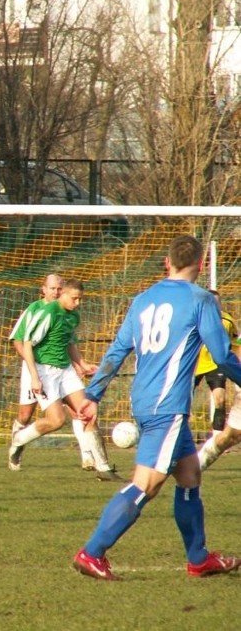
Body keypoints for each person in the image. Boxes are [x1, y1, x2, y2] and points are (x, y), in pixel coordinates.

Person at [73, 235, 241, 581]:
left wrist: (93, 395)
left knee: (190, 475)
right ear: (199, 265)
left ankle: (198, 558)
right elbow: (222, 355)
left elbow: (118, 350)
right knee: (146, 484)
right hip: (167, 407)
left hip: (145, 400)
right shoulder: (201, 300)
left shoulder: (142, 300)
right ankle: (92, 552)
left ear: (167, 263)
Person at [7, 278, 118, 480]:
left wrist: (82, 364)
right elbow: (27, 344)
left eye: (80, 299)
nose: (78, 303)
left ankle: (103, 468)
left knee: (87, 412)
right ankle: (19, 439)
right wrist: (34, 377)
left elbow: (69, 343)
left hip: (65, 370)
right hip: (44, 370)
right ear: (63, 295)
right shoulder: (46, 313)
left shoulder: (73, 316)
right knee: (56, 420)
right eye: (75, 299)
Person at [193, 290, 237, 436]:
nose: (215, 306)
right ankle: (178, 434)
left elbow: (235, 341)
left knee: (220, 399)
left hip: (215, 365)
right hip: (195, 365)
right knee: (183, 401)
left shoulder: (228, 321)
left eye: (217, 303)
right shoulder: (195, 319)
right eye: (212, 302)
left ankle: (216, 439)